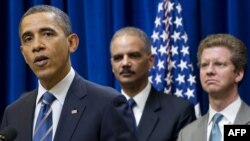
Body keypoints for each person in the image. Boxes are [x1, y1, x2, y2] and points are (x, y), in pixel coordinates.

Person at [0, 5, 137, 141]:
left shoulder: (107, 104)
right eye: (28, 39)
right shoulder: (13, 113)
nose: (37, 46)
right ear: (23, 54)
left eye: (47, 34)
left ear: (71, 43)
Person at [110, 26, 196, 141]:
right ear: (112, 65)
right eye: (118, 58)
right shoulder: (101, 111)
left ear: (150, 61)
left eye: (134, 55)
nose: (125, 63)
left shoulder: (179, 112)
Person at [177, 34, 250, 141]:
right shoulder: (187, 134)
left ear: (238, 74)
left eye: (219, 64)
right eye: (204, 65)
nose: (209, 71)